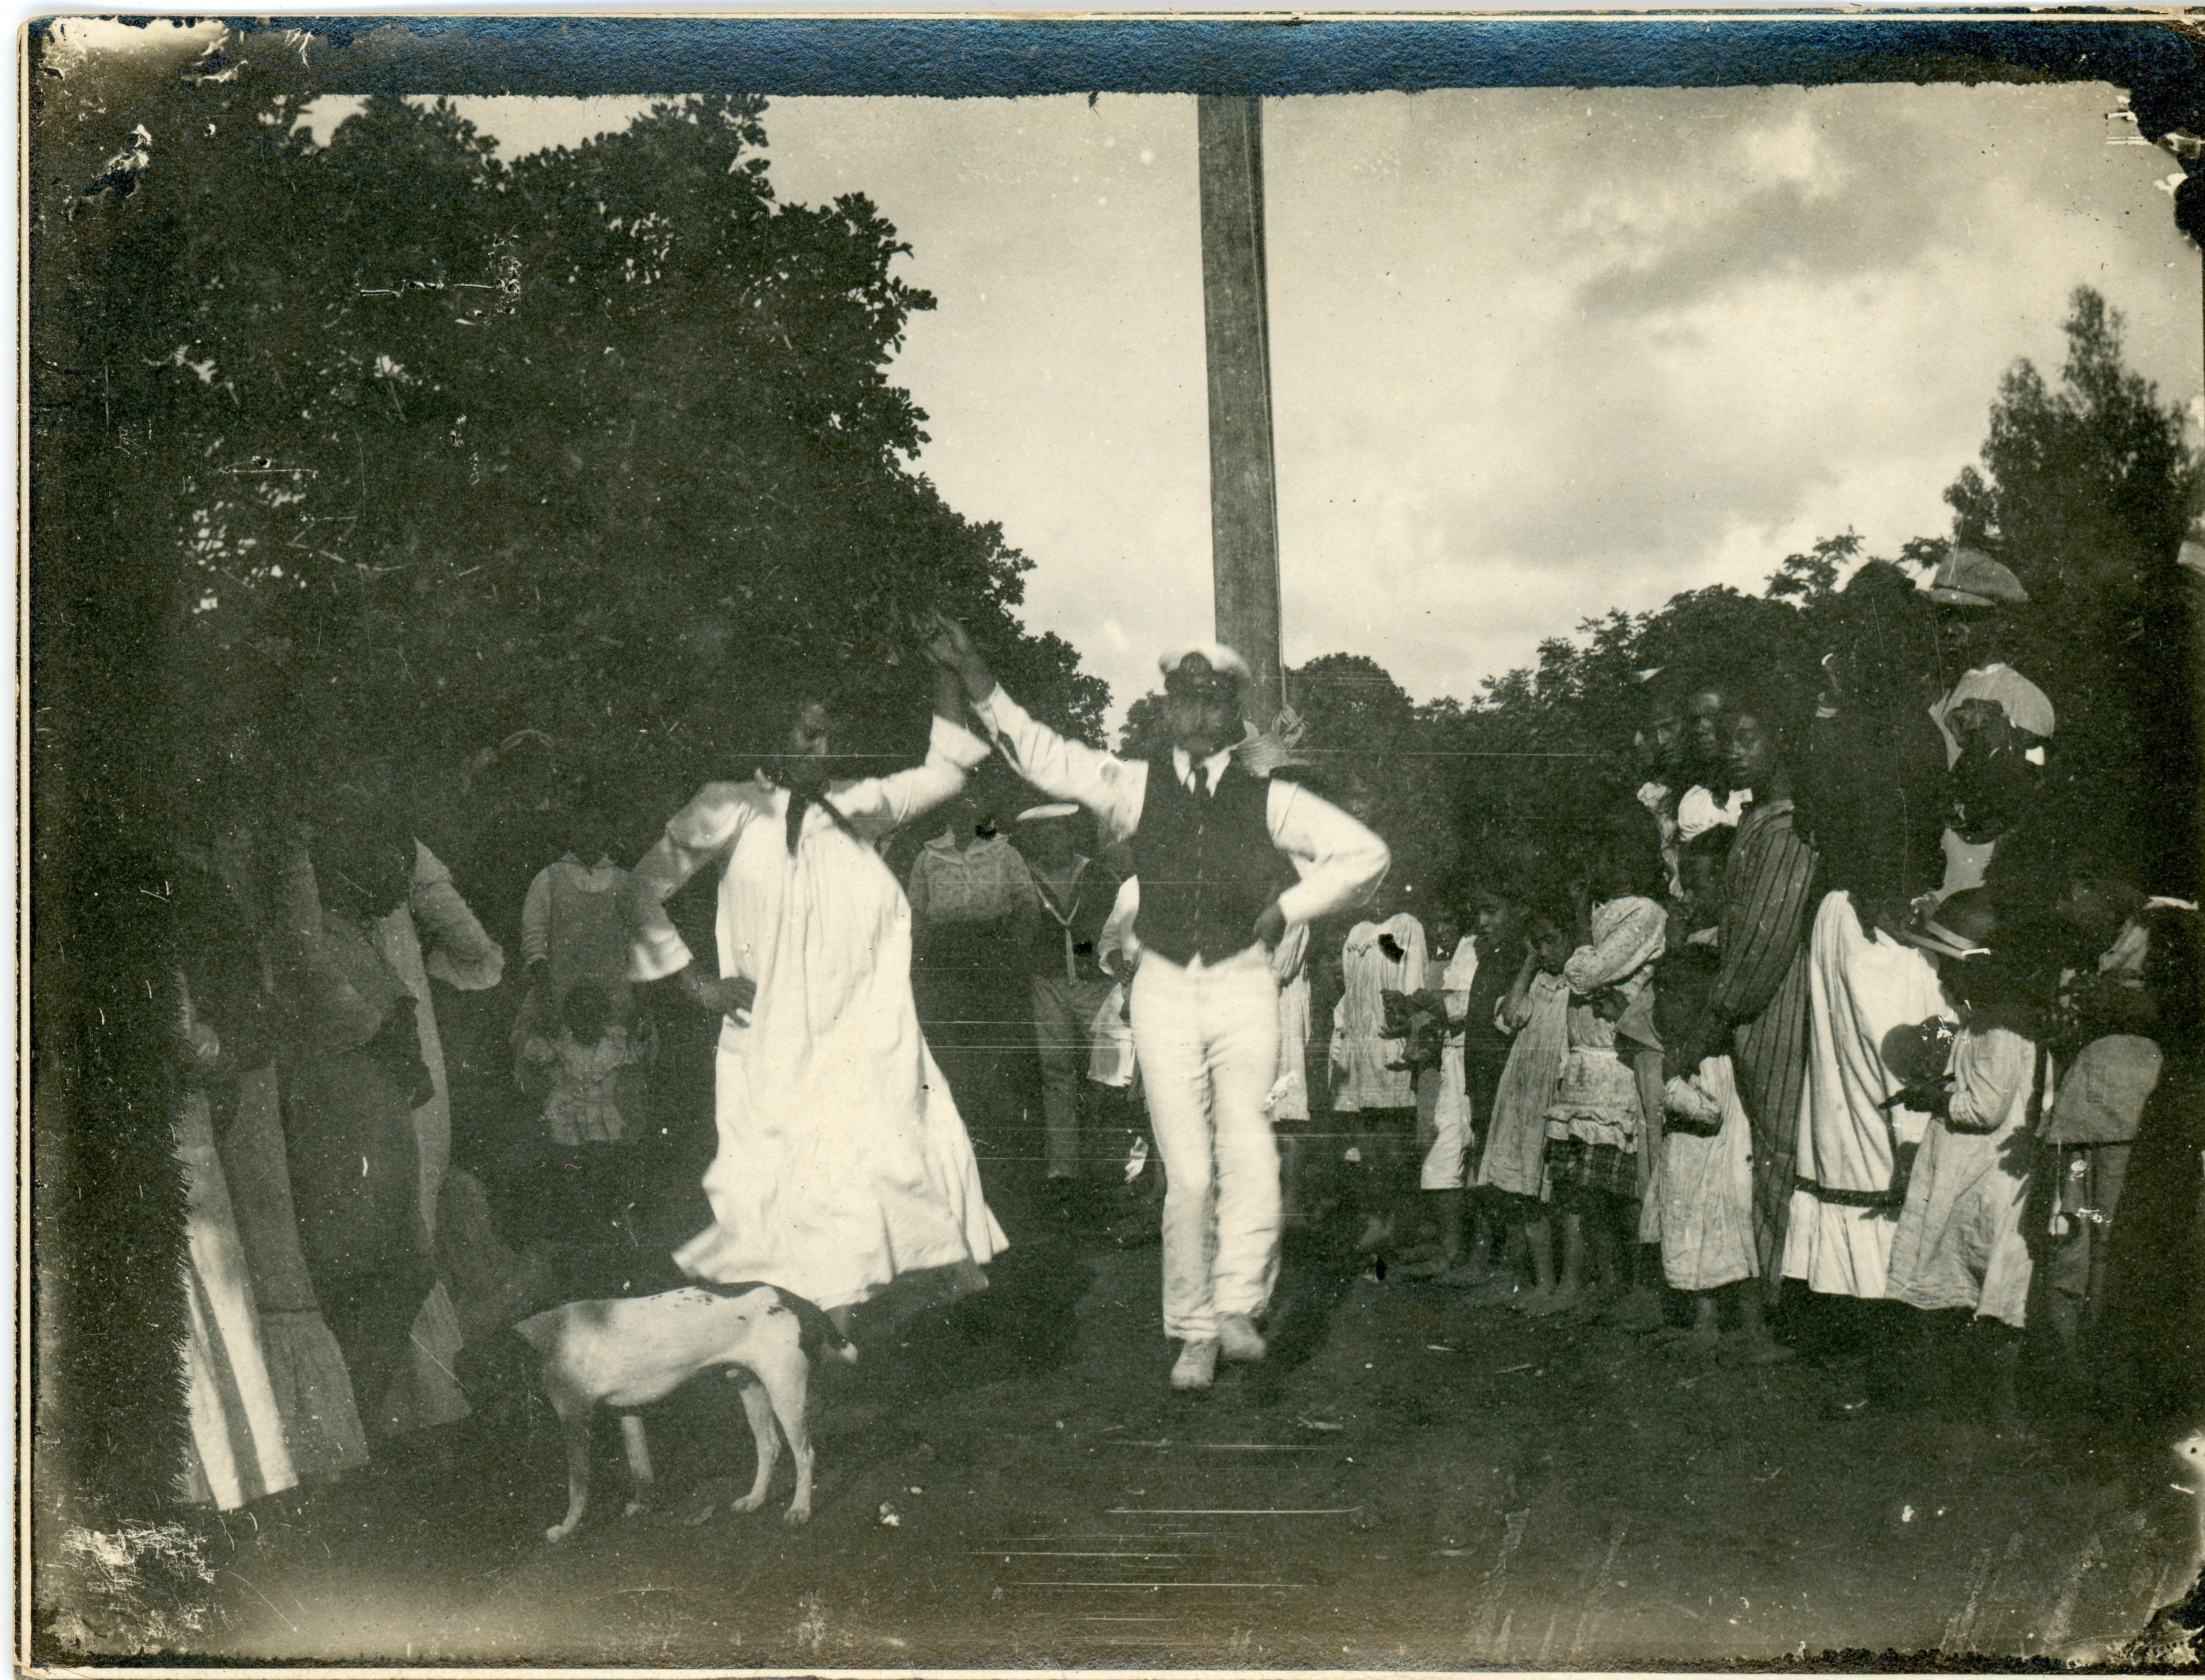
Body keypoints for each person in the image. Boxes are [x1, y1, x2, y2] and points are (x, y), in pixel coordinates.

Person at [931, 618, 1389, 1391]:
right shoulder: (1136, 784)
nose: (1199, 717)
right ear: (1168, 711)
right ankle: (1193, 1330)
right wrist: (978, 677)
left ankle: (1239, 1303)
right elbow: (1046, 756)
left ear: (1233, 714)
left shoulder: (1272, 797)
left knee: (1247, 1147)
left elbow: (1366, 855)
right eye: (1185, 702)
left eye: (1214, 704)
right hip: (1167, 988)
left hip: (1244, 983)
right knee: (1190, 1174)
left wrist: (1293, 904)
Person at [625, 655, 1007, 1342]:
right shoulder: (730, 805)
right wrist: (695, 983)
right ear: (771, 737)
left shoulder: (861, 804)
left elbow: (948, 772)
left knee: (877, 1163)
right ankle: (830, 1323)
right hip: (774, 1036)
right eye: (802, 734)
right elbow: (642, 887)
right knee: (785, 1174)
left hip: (865, 1032)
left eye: (827, 736)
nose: (816, 749)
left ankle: (849, 1322)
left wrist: (948, 670)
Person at [1673, 699, 1819, 1308]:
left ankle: (1780, 1306)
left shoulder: (1786, 827)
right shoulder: (1757, 820)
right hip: (1753, 1011)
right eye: (1730, 739)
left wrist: (1715, 1016)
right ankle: (1765, 1298)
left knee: (1782, 1153)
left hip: (1773, 1006)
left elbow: (1765, 939)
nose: (1734, 750)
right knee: (1765, 1152)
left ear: (1781, 745)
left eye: (1749, 738)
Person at [1884, 891, 2043, 1438]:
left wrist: (1935, 1099)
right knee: (1969, 1285)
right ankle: (1962, 1401)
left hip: (1983, 1176)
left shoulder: (1999, 1029)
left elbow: (1983, 1107)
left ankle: (1989, 1405)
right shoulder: (1987, 1026)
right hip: (1973, 1170)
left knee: (1988, 1288)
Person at [1538, 835, 1667, 1316]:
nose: (1599, 863)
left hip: (1615, 1062)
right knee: (1579, 1186)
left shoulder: (1645, 913)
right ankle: (1601, 1283)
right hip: (1581, 1063)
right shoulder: (1602, 911)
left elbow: (1586, 972)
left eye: (1609, 853)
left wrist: (1580, 930)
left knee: (1621, 1186)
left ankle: (1639, 1288)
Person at [1005, 803, 1125, 1219]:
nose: (1051, 840)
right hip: (1048, 983)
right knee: (1055, 1073)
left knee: (1107, 1072)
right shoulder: (1025, 876)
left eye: (1059, 832)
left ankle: (1108, 1169)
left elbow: (1117, 925)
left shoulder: (1096, 873)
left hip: (1093, 985)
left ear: (1072, 834)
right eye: (1042, 835)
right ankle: (1064, 1173)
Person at [1925, 548, 2055, 898]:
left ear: (1999, 622)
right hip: (1941, 873)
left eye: (1964, 616)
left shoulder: (2023, 697)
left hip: (1983, 879)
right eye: (1944, 617)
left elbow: (2022, 810)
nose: (1950, 630)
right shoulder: (1944, 694)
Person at [1475, 907, 1573, 1308]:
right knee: (1524, 1191)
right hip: (1522, 1094)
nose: (1546, 950)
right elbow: (1512, 1014)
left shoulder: (1575, 985)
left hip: (1553, 1095)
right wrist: (1531, 962)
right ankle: (1540, 1281)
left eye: (1552, 941)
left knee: (1548, 1190)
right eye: (1538, 943)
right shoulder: (1540, 983)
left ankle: (1559, 1284)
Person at [1331, 887, 1427, 1257]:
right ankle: (1376, 1220)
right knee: (1368, 1142)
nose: (1377, 899)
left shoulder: (1403, 928)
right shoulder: (1358, 935)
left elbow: (1411, 980)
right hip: (1361, 1047)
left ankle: (1399, 1225)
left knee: (1392, 1143)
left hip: (1390, 1042)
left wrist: (1407, 1024)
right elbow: (1352, 989)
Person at [517, 979, 649, 1242]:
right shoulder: (560, 1043)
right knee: (569, 1166)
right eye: (580, 1021)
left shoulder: (614, 1043)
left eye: (594, 1020)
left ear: (604, 1019)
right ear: (569, 1021)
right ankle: (575, 1220)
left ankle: (606, 1214)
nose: (588, 1027)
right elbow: (532, 1050)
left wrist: (642, 1030)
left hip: (602, 1114)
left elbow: (637, 1051)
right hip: (568, 1114)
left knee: (605, 1162)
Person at [517, 804, 631, 1041]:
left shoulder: (626, 884)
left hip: (614, 1005)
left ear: (609, 832)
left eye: (598, 825)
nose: (590, 832)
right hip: (560, 1005)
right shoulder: (548, 879)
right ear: (571, 831)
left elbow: (640, 945)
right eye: (583, 825)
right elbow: (534, 943)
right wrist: (547, 997)